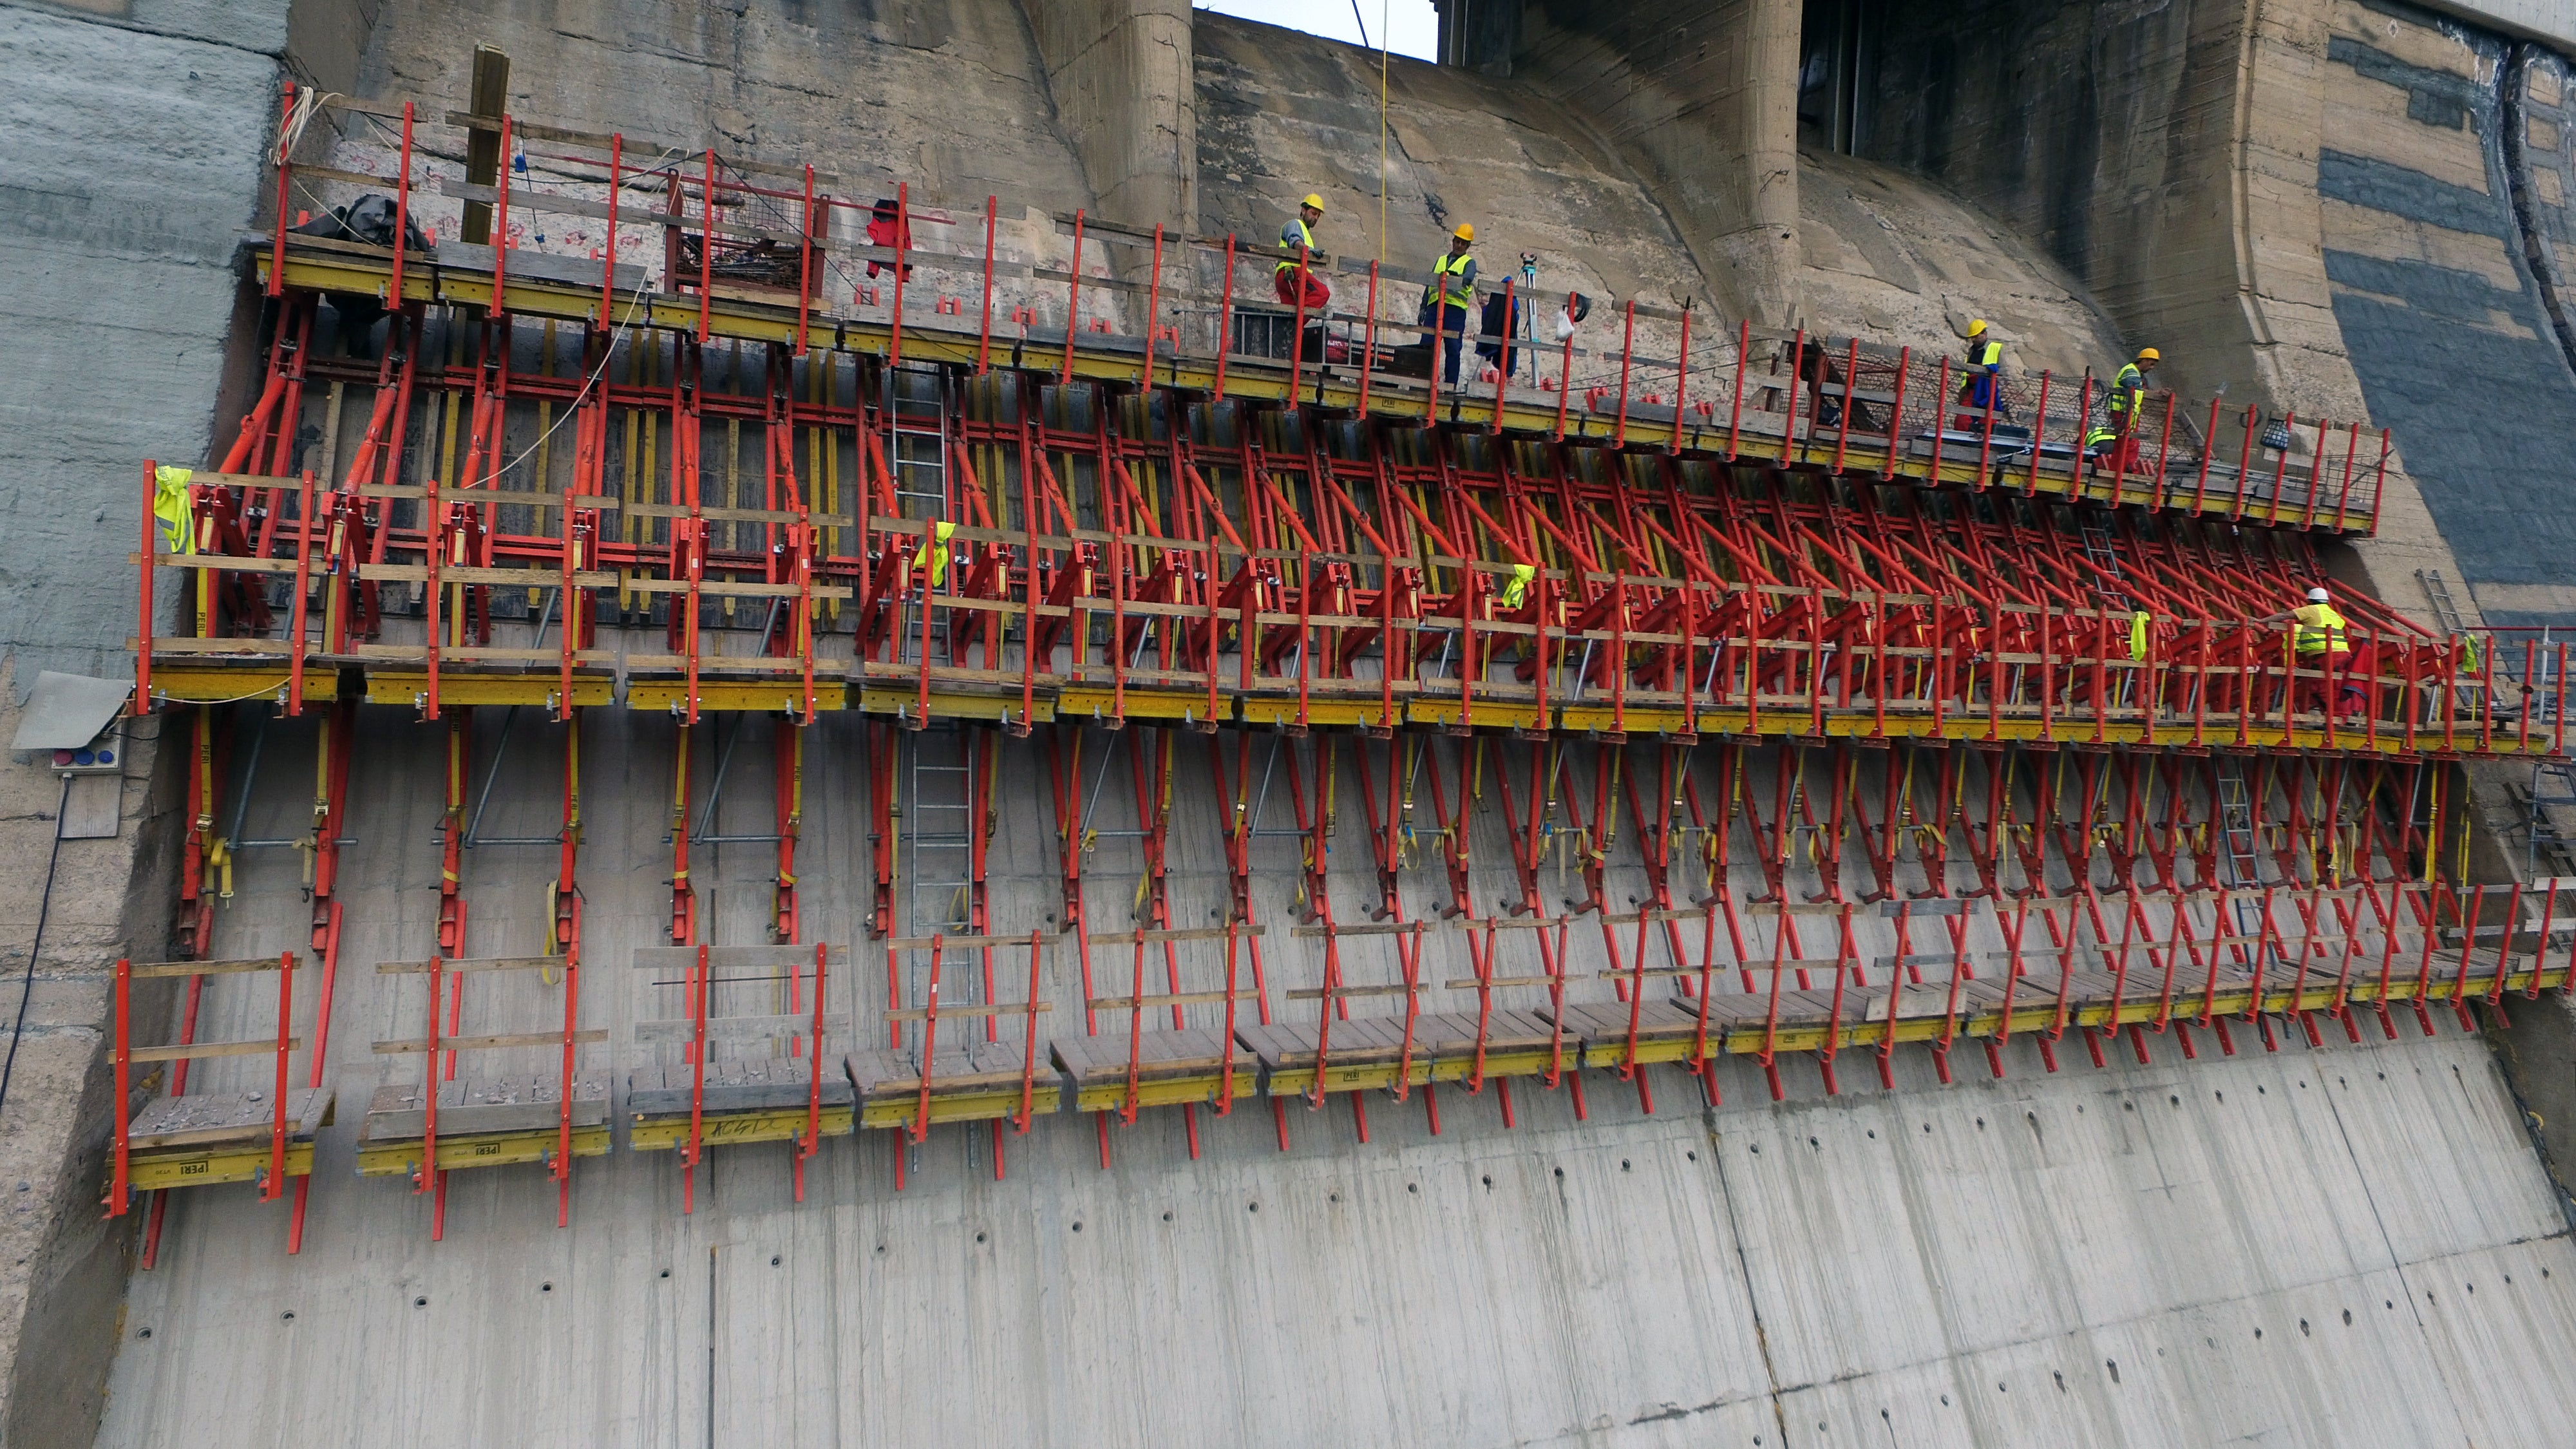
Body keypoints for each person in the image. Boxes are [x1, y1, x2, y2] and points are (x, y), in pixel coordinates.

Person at [2251, 585, 2367, 720]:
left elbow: (2285, 615)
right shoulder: (2334, 615)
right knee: (2338, 686)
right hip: (2343, 654)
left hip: (2326, 655)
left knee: (2320, 686)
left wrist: (2260, 621)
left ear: (2310, 601)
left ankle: (2337, 718)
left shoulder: (2311, 610)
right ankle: (2342, 716)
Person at [1419, 223, 1478, 384]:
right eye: (1457, 241)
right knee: (1426, 346)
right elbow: (1429, 284)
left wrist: (1453, 278)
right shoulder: (1441, 260)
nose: (1459, 245)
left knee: (1453, 348)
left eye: (1463, 243)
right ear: (1453, 241)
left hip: (1454, 311)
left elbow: (1468, 277)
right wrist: (1423, 308)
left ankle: (1450, 386)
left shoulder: (1469, 263)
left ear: (1467, 246)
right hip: (1434, 308)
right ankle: (1422, 383)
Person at [2090, 345, 2159, 473]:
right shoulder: (2131, 372)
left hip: (2129, 414)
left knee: (2129, 441)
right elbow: (2133, 387)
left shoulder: (2138, 374)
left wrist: (2158, 393)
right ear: (2143, 360)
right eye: (2151, 364)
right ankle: (2122, 468)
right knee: (2127, 442)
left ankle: (2122, 467)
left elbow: (2142, 391)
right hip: (2122, 413)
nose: (2151, 368)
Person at [1275, 193, 1330, 310]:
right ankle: (1294, 325)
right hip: (1292, 273)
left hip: (1285, 278)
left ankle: (1290, 328)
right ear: (1303, 210)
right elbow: (1295, 243)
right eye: (1314, 213)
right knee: (1322, 293)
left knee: (1289, 313)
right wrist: (1308, 250)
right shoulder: (1295, 224)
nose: (1315, 218)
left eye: (1318, 216)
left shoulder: (1305, 232)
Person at [1955, 318, 2004, 428]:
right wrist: (1963, 390)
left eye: (1976, 336)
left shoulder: (1994, 348)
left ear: (1985, 333)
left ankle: (1983, 441)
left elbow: (2003, 371)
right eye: (1972, 337)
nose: (1974, 339)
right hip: (1971, 390)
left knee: (1988, 421)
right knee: (1962, 419)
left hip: (1987, 391)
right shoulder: (1971, 351)